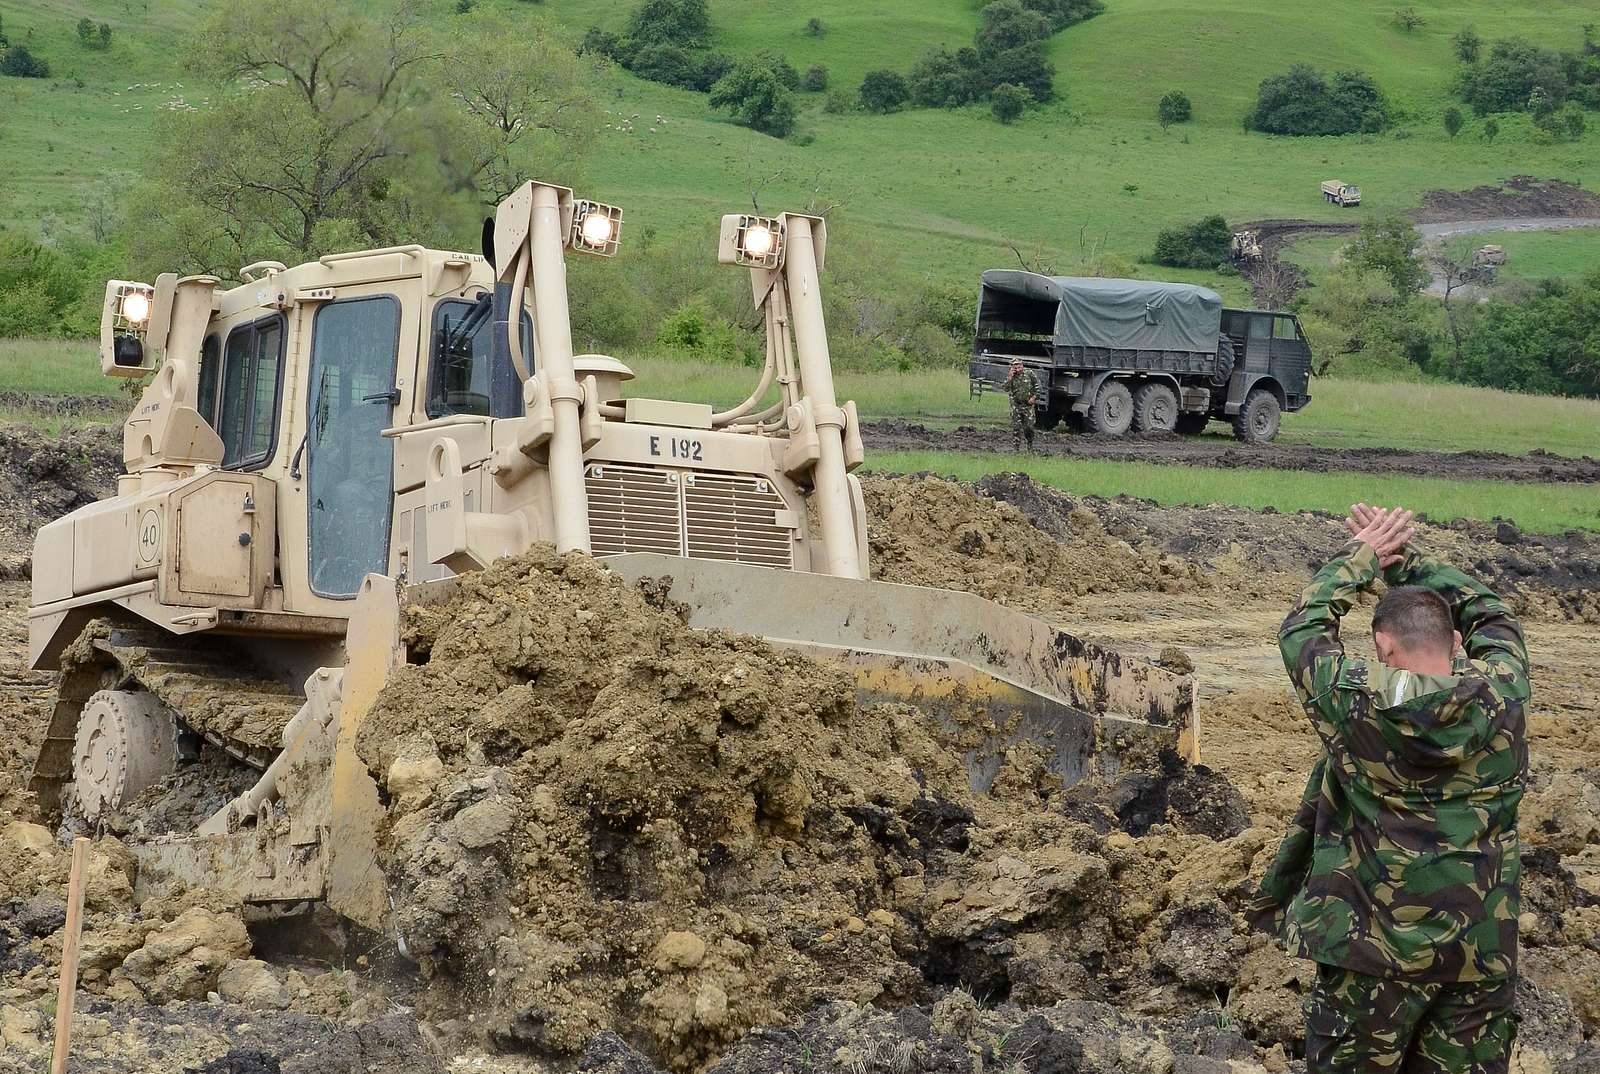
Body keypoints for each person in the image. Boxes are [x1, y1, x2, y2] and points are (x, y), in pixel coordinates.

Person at [1250, 503, 1529, 1074]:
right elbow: (1494, 613)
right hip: (1477, 953)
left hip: (1370, 956)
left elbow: (1303, 627)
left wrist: (1363, 559)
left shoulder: (1355, 699)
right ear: (1455, 641)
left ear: (1381, 648)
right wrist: (1409, 563)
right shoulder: (1505, 693)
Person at [1004, 358, 1040, 453]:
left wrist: (1034, 397)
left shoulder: (1029, 374)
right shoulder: (1011, 376)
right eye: (1015, 366)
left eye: (1019, 366)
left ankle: (1030, 445)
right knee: (1016, 427)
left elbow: (1038, 387)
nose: (1018, 368)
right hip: (1016, 405)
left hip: (1028, 405)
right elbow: (1005, 388)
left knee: (1029, 427)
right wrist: (1010, 378)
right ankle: (1016, 448)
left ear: (1022, 366)